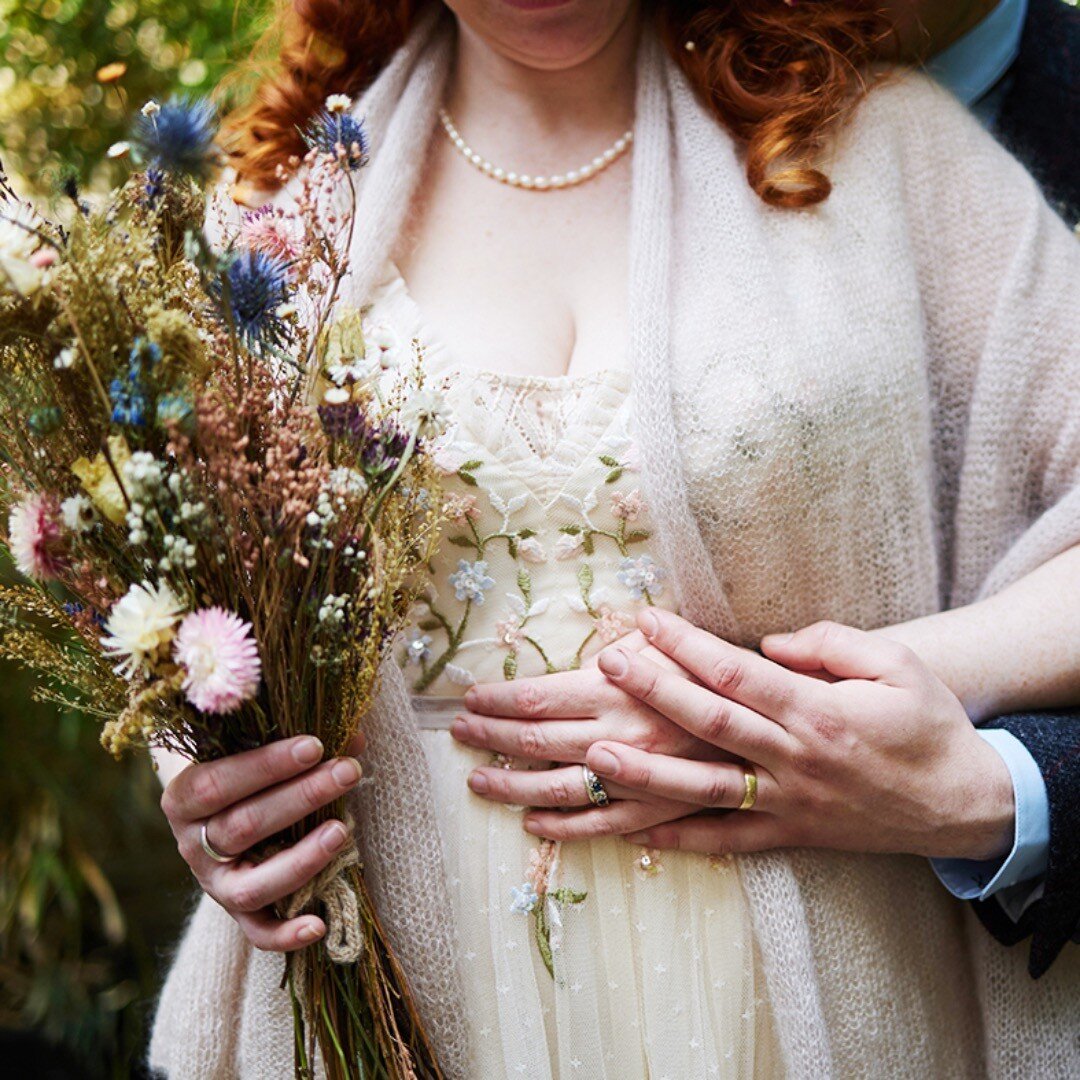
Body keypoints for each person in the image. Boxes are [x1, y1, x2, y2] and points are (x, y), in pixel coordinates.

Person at [149, 2, 1080, 1077]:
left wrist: (865, 699)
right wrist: (208, 784)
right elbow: (188, 613)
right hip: (398, 983)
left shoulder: (881, 150)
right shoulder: (270, 217)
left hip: (790, 995)